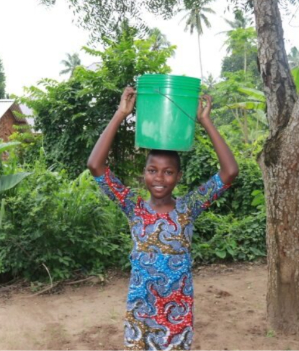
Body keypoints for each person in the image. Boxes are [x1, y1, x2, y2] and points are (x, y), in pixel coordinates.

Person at [87, 86, 238, 350]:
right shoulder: (132, 206)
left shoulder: (189, 207)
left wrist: (205, 121)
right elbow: (95, 166)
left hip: (178, 309)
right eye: (153, 170)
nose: (159, 178)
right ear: (143, 174)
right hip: (141, 308)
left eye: (168, 172)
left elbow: (230, 171)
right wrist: (120, 114)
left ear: (178, 177)